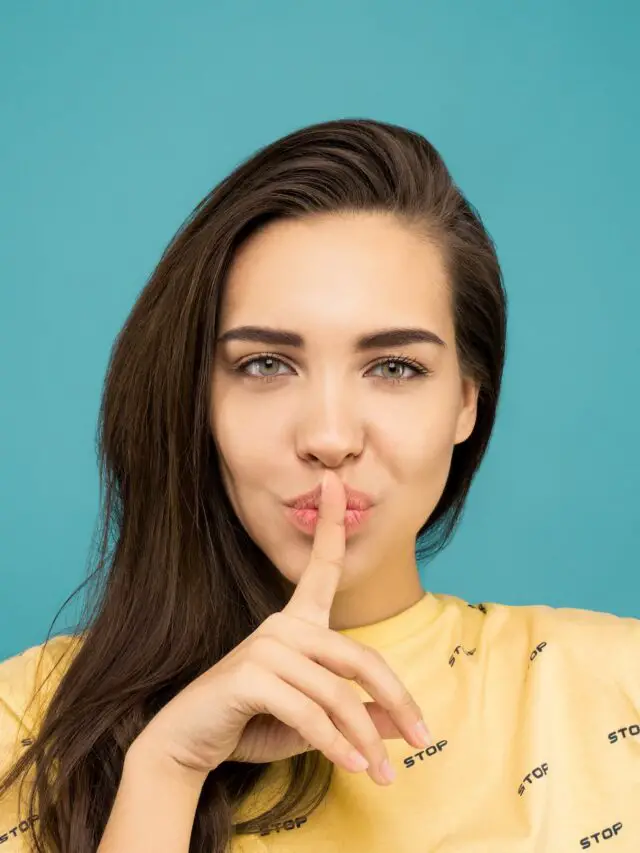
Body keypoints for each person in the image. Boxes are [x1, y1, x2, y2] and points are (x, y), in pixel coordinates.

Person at [0, 118, 638, 853]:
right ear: (196, 398)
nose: (330, 436)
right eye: (266, 364)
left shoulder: (618, 685)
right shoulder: (30, 720)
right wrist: (166, 769)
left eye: (394, 367)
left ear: (468, 400)